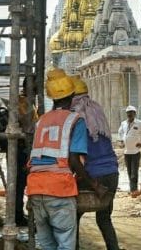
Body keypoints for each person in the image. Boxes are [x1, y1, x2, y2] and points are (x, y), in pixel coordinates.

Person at [26, 69, 100, 250]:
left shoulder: (41, 121)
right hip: (59, 189)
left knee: (47, 244)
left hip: (35, 189)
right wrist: (94, 185)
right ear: (73, 94)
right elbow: (74, 160)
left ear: (52, 96)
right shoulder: (75, 120)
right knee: (66, 244)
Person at [71, 75, 119, 250]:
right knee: (104, 219)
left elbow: (75, 158)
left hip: (93, 174)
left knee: (73, 217)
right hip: (112, 172)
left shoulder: (77, 118)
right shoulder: (97, 111)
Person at [15, 75, 38, 226]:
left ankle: (19, 214)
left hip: (26, 147)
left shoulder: (26, 102)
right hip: (22, 148)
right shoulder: (23, 103)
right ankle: (17, 215)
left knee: (23, 183)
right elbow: (29, 127)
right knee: (21, 183)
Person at [118, 105, 141, 197]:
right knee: (129, 172)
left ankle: (134, 190)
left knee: (134, 172)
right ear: (126, 114)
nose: (130, 114)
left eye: (132, 113)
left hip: (135, 152)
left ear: (135, 113)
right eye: (128, 113)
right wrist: (122, 140)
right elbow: (120, 132)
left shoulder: (140, 124)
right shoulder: (123, 124)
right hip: (126, 152)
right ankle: (132, 189)